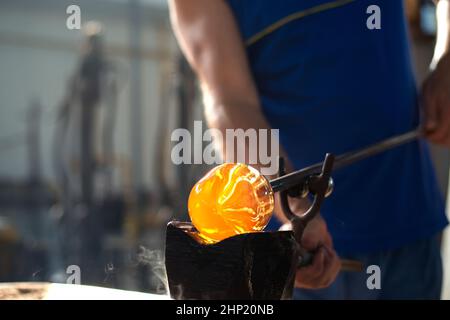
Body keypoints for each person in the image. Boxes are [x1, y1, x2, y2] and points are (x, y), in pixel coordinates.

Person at [169, 0, 450, 298]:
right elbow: (230, 102)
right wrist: (299, 209)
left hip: (410, 225)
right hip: (305, 251)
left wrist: (447, 61)